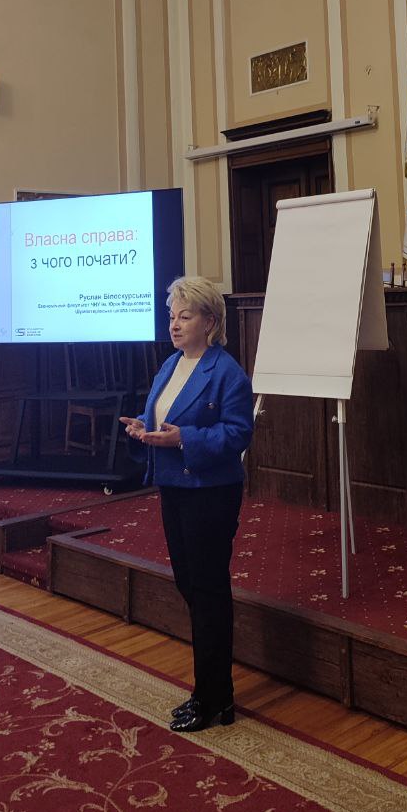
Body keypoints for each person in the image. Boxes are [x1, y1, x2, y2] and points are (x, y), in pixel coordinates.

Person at [121, 276, 254, 733]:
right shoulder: (171, 364)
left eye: (185, 316)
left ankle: (212, 697)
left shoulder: (228, 373)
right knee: (190, 584)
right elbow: (164, 416)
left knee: (208, 590)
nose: (174, 325)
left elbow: (238, 434)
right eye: (171, 316)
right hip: (174, 486)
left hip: (211, 492)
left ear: (210, 322)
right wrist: (143, 427)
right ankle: (215, 692)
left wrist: (184, 439)